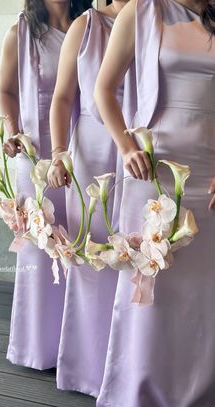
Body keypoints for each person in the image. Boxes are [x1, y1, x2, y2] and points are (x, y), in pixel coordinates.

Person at [94, 0, 215, 405]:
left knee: (204, 293)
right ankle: (140, 390)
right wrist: (126, 147)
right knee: (155, 291)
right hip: (154, 170)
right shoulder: (141, 11)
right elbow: (103, 89)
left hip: (210, 172)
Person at [0, 0, 92, 370]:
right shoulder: (20, 34)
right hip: (38, 154)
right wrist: (11, 130)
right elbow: (6, 91)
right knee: (40, 254)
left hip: (83, 154)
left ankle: (78, 348)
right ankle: (38, 348)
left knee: (80, 247)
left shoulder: (88, 25)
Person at [48, 0, 135, 396]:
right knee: (92, 261)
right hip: (92, 154)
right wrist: (58, 153)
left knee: (137, 261)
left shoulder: (154, 20)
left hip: (141, 153)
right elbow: (63, 97)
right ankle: (87, 369)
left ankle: (130, 370)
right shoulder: (85, 26)